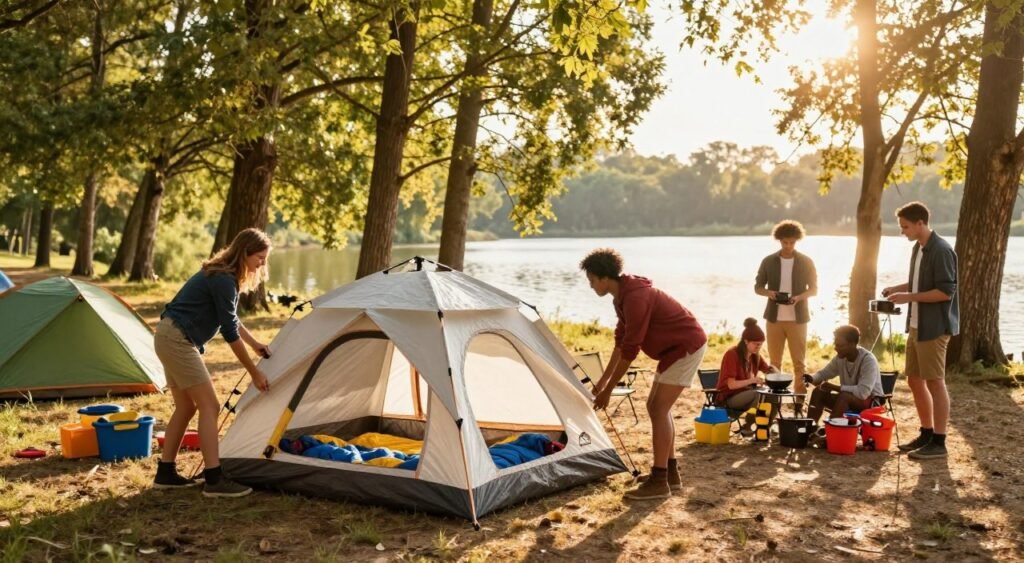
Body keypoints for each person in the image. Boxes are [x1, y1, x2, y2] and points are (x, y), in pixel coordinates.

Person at [152, 228, 273, 496]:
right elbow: (229, 331)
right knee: (210, 406)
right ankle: (214, 479)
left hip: (168, 335)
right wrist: (254, 372)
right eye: (260, 258)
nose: (262, 264)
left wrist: (254, 344)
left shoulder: (223, 276)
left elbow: (230, 318)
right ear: (245, 253)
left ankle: (165, 473)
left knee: (186, 406)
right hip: (177, 340)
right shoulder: (223, 280)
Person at [581, 248, 707, 500]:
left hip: (686, 346)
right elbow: (620, 343)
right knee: (655, 407)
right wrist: (602, 383)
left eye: (592, 280)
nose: (591, 285)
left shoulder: (635, 298)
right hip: (671, 351)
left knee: (659, 409)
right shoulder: (622, 297)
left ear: (604, 278)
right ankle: (670, 475)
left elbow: (630, 350)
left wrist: (608, 391)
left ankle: (659, 481)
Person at [881, 201, 959, 460]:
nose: (902, 231)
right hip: (916, 326)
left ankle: (939, 441)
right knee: (914, 380)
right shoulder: (919, 247)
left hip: (934, 327)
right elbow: (918, 282)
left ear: (920, 223)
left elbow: (945, 292)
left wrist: (909, 297)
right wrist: (896, 289)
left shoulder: (941, 250)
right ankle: (926, 433)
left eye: (905, 226)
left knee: (935, 382)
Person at [754, 220, 817, 409]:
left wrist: (798, 298)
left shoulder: (806, 261)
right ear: (779, 240)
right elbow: (758, 287)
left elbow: (814, 289)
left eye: (792, 242)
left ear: (797, 240)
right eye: (785, 242)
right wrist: (770, 293)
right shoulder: (768, 261)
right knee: (774, 363)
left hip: (798, 320)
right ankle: (773, 403)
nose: (788, 246)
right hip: (774, 319)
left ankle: (799, 402)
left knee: (799, 363)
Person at [803, 325, 885, 424]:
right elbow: (824, 373)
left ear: (853, 344)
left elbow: (863, 393)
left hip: (871, 403)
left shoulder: (868, 360)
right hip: (848, 399)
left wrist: (834, 387)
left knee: (844, 397)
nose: (836, 348)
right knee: (818, 391)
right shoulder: (840, 358)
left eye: (840, 345)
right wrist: (811, 378)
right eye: (835, 344)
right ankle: (810, 428)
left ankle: (832, 430)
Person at [715, 318, 777, 433]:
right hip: (728, 397)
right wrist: (752, 380)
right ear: (746, 341)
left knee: (774, 395)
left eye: (760, 344)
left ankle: (765, 427)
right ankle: (748, 425)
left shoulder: (755, 355)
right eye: (755, 344)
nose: (758, 347)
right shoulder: (732, 354)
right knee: (759, 394)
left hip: (746, 394)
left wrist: (775, 373)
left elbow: (768, 370)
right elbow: (731, 385)